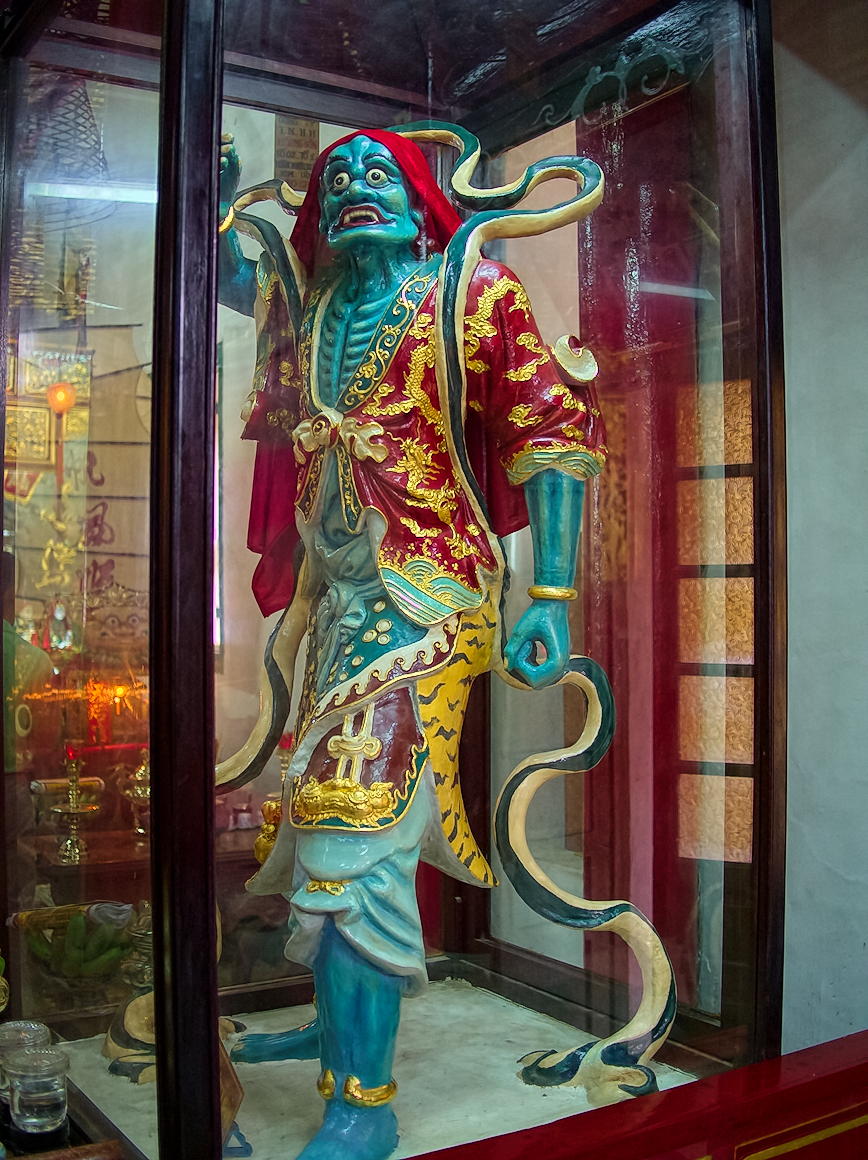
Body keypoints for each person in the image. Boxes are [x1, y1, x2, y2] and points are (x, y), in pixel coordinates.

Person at [216, 127, 607, 1160]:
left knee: (354, 832)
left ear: (419, 195)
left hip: (425, 600)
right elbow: (243, 303)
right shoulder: (314, 311)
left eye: (378, 173)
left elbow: (550, 434)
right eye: (338, 178)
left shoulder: (471, 293)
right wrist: (217, 212)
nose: (356, 187)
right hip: (336, 607)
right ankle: (336, 1031)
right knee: (312, 826)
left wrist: (550, 595)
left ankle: (365, 1100)